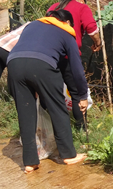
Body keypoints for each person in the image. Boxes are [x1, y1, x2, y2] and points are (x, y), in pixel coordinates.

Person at [7, 9, 88, 173]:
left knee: (25, 112)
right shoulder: (66, 32)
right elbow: (76, 68)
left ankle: (30, 162)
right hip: (42, 65)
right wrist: (83, 95)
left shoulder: (32, 25)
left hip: (14, 63)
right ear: (66, 23)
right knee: (57, 108)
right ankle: (69, 155)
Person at [48, 0, 102, 128]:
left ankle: (59, 127)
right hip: (68, 55)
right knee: (76, 93)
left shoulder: (54, 6)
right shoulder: (82, 8)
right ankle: (81, 127)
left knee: (55, 92)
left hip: (49, 56)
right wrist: (97, 43)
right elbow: (91, 28)